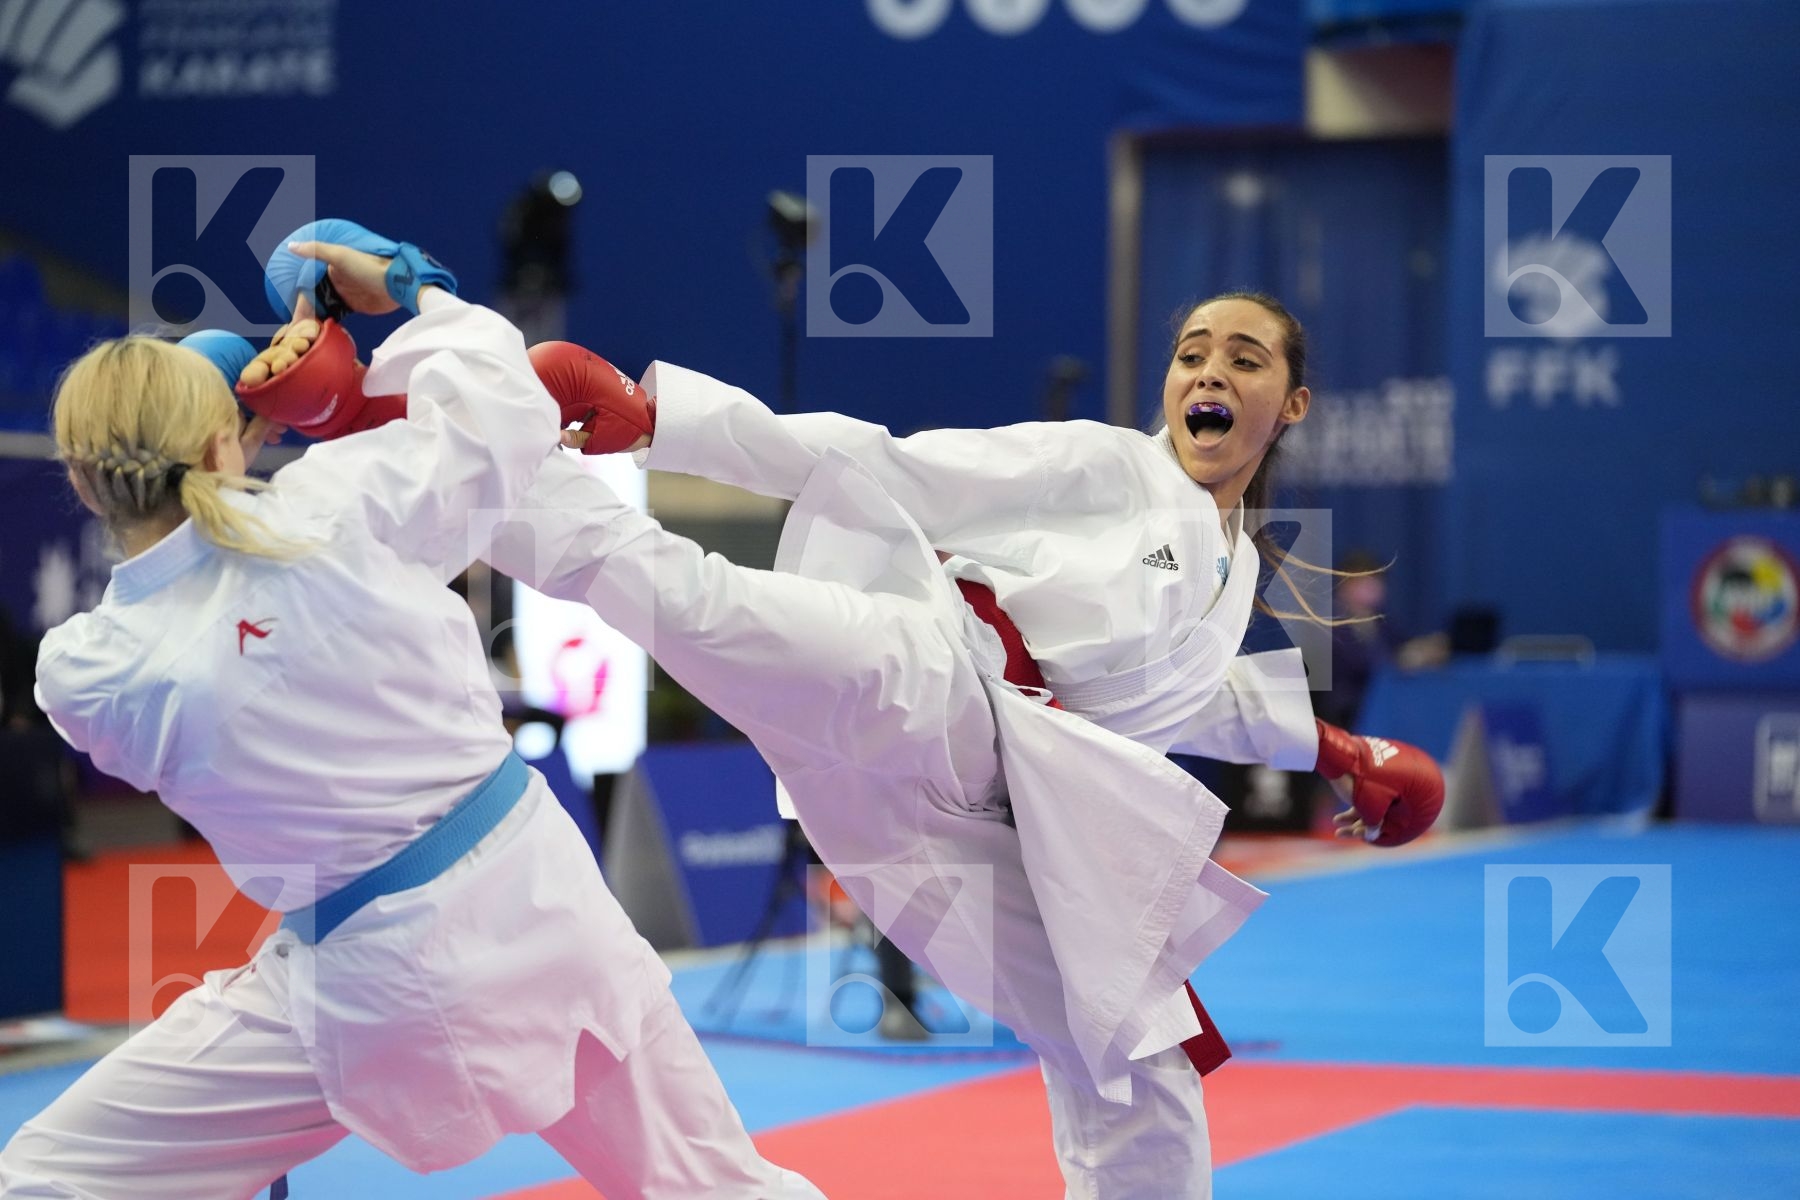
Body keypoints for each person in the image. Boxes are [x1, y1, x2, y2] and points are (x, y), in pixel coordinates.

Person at [228, 277, 1443, 1197]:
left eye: (1241, 358)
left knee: (1138, 1057)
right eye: (1189, 354)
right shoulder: (1108, 469)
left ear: (1293, 404)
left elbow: (1197, 697)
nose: (1204, 373)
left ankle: (395, 407)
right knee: (675, 591)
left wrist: (1338, 755)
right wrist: (661, 418)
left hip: (982, 835)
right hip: (932, 685)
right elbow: (886, 463)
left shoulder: (1228, 571)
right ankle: (392, 403)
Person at [0, 228, 821, 1200]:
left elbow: (229, 623)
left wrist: (258, 443)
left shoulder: (88, 672)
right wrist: (408, 292)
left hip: (354, 979)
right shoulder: (332, 507)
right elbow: (502, 405)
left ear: (84, 479)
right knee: (721, 1188)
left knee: (51, 1178)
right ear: (231, 438)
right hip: (541, 916)